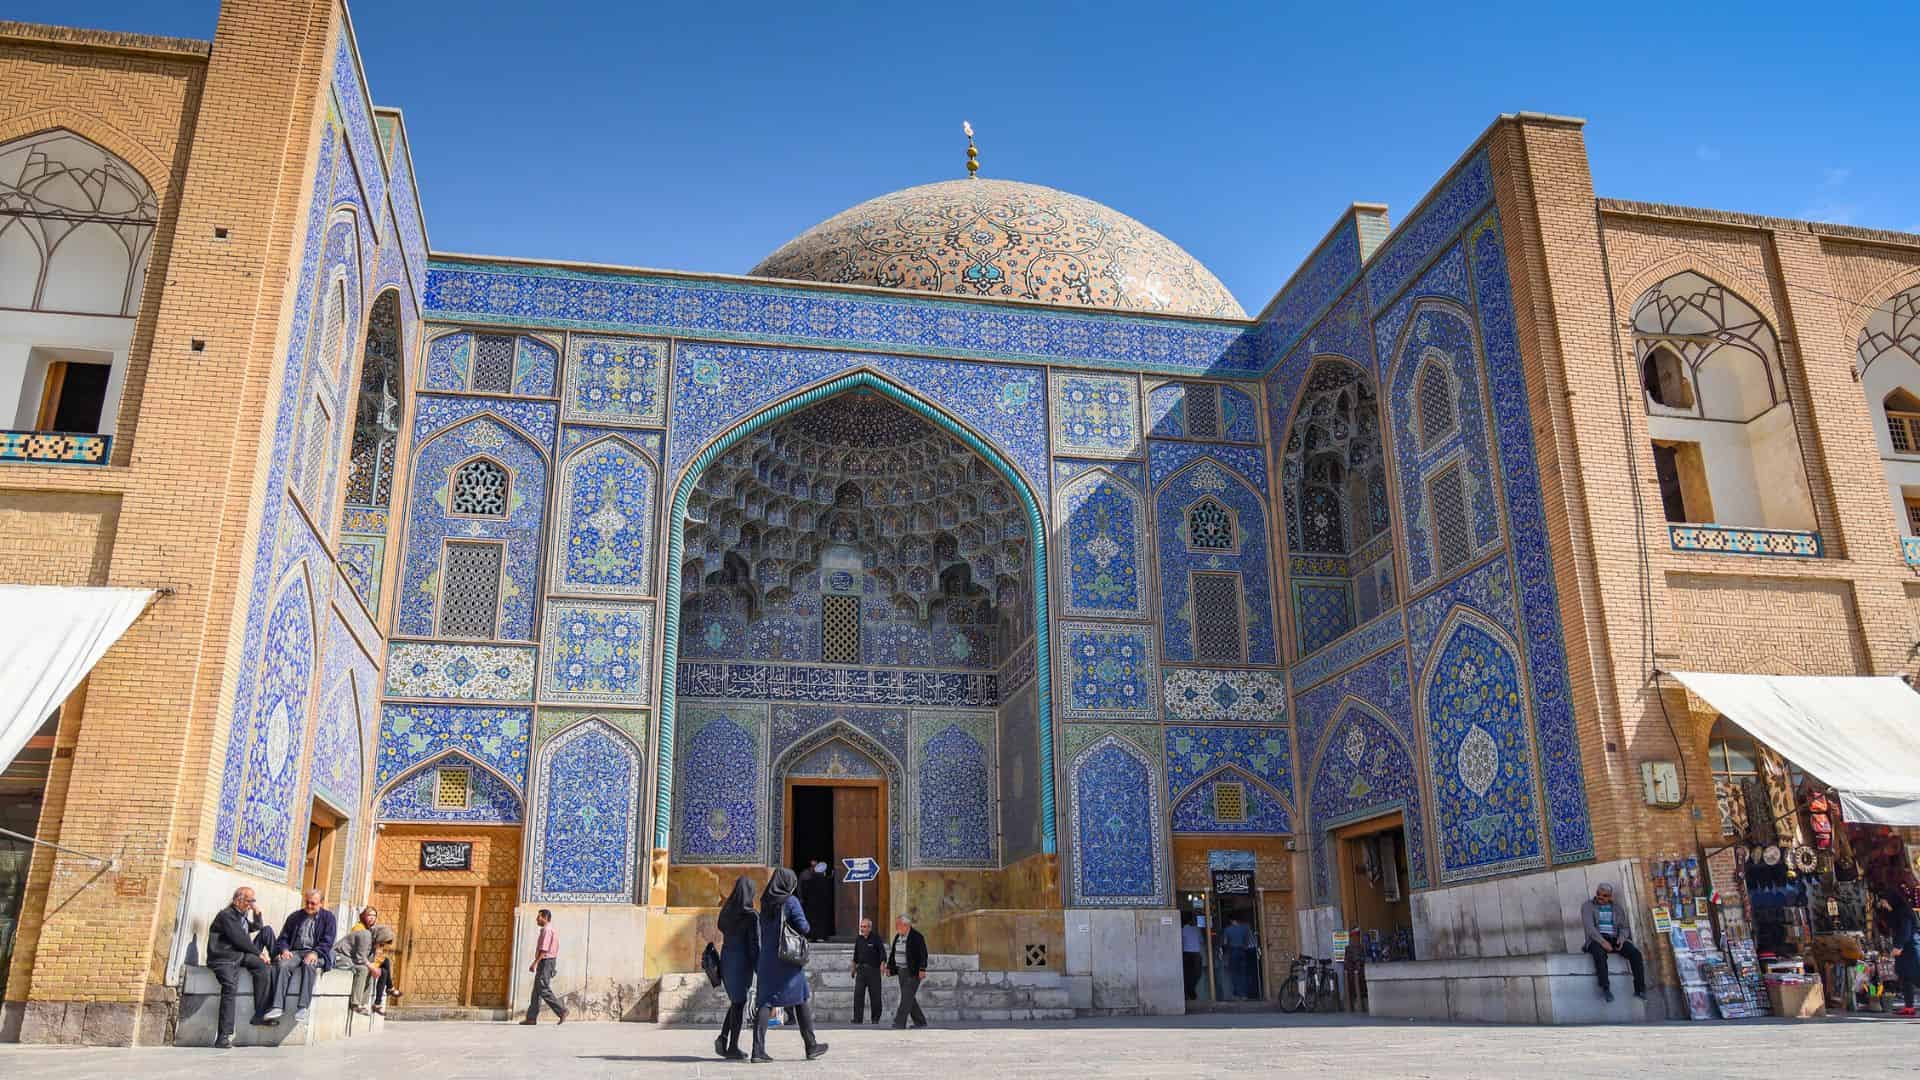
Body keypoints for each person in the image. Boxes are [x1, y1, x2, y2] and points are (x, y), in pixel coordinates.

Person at [753, 867, 826, 1062]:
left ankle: (757, 1051)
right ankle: (811, 1046)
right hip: (787, 958)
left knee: (765, 1002)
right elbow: (804, 927)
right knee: (801, 998)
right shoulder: (790, 901)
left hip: (767, 958)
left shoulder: (765, 902)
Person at [205, 886, 273, 1048]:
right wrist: (258, 953)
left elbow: (255, 928)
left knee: (261, 967)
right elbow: (239, 939)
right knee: (229, 988)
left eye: (253, 901)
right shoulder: (227, 916)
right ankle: (223, 1036)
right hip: (224, 958)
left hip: (238, 955)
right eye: (249, 901)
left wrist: (258, 914)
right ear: (238, 900)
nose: (251, 905)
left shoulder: (240, 917)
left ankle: (260, 1013)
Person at [267, 889, 336, 1024]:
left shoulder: (329, 918)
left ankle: (302, 1007)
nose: (309, 906)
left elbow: (328, 940)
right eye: (307, 903)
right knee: (283, 964)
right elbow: (283, 937)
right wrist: (285, 949)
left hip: (317, 952)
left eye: (313, 904)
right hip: (296, 951)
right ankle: (277, 1006)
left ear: (321, 903)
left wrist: (315, 952)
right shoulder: (295, 917)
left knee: (309, 964)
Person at [714, 876, 758, 1060]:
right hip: (742, 963)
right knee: (739, 1004)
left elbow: (721, 927)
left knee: (736, 1002)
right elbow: (755, 944)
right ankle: (732, 1046)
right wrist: (759, 967)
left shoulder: (726, 911)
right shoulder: (751, 916)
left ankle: (724, 1039)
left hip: (727, 959)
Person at [1580, 881, 1647, 1003]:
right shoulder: (1587, 906)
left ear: (1610, 896)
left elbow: (1624, 927)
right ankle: (1605, 988)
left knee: (1635, 954)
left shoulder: (1617, 908)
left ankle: (1640, 989)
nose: (1601, 897)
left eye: (1605, 895)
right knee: (1599, 954)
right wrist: (1602, 942)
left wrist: (1621, 939)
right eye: (1599, 894)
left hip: (1614, 938)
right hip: (1596, 939)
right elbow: (1589, 928)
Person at [333, 906, 390, 1015]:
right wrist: (372, 967)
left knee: (375, 969)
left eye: (374, 916)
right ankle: (355, 1004)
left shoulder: (372, 934)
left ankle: (363, 1004)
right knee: (364, 969)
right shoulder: (364, 933)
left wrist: (374, 967)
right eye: (369, 915)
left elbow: (370, 958)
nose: (372, 918)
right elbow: (360, 957)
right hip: (340, 957)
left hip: (352, 959)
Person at [521, 908, 569, 1024]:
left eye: (539, 917)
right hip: (548, 961)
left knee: (542, 987)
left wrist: (535, 963)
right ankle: (531, 1018)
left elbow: (544, 949)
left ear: (545, 918)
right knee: (537, 990)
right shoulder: (549, 930)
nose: (537, 920)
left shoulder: (547, 930)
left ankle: (561, 1010)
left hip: (545, 960)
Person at [1879, 893, 1920, 1016]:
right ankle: (1909, 1007)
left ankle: (1909, 1006)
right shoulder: (1895, 912)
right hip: (1903, 950)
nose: (1883, 905)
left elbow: (1905, 931)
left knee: (1915, 976)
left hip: (1910, 948)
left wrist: (1899, 946)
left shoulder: (1904, 913)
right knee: (1905, 977)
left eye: (1884, 902)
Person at [886, 913, 929, 1029]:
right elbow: (893, 954)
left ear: (906, 925)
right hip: (901, 971)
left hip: (913, 972)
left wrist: (922, 969)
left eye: (898, 924)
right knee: (909, 997)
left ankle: (899, 1023)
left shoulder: (917, 936)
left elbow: (923, 954)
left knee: (906, 998)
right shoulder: (898, 936)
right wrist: (890, 967)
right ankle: (920, 1022)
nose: (896, 927)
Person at [851, 916, 886, 1022]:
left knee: (875, 996)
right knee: (858, 995)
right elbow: (855, 956)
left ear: (870, 928)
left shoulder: (876, 938)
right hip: (861, 971)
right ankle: (857, 1019)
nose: (862, 929)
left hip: (873, 971)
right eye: (861, 926)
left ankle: (875, 1019)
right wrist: (853, 969)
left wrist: (882, 964)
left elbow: (882, 953)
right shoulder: (859, 939)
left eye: (865, 927)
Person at [1220, 916, 1254, 1000]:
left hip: (1233, 951)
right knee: (1243, 973)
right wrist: (1244, 946)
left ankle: (1237, 994)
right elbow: (1247, 941)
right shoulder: (1244, 929)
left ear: (1231, 921)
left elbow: (1225, 942)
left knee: (1235, 973)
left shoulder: (1228, 930)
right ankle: (1244, 995)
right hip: (1242, 951)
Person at [1180, 913, 1204, 1001]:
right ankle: (1191, 992)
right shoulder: (1197, 929)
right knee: (1197, 975)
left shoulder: (1182, 930)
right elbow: (1202, 940)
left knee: (1187, 975)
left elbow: (1180, 942)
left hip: (1186, 954)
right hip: (1196, 954)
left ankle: (1189, 992)